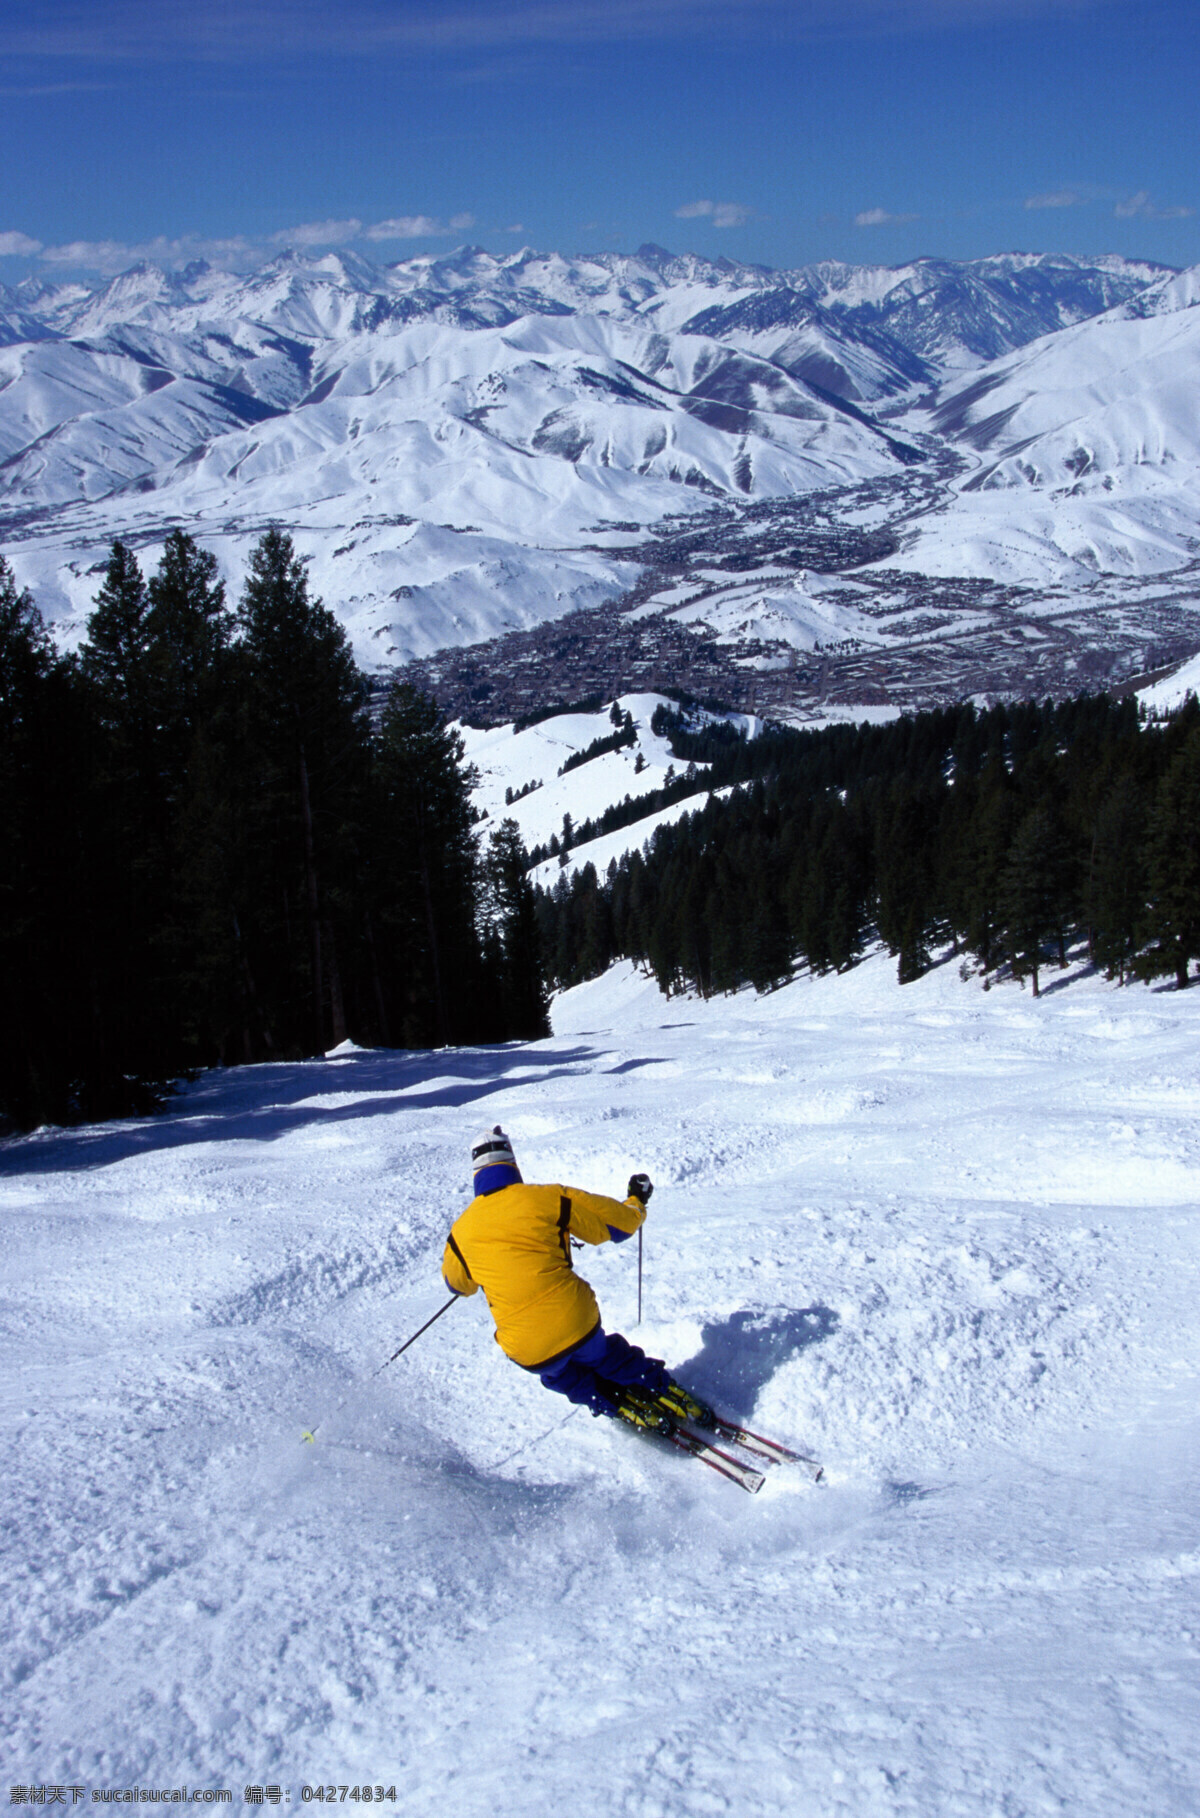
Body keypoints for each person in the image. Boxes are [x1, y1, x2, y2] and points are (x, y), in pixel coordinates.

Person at [441, 1125, 712, 1432]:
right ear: (511, 1163)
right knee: (603, 1355)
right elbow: (619, 1226)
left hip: (526, 1346)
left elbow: (457, 1285)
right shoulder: (548, 1198)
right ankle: (663, 1390)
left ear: (476, 1172)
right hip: (575, 1318)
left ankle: (613, 1402)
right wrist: (637, 1200)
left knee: (558, 1374)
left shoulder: (461, 1232)